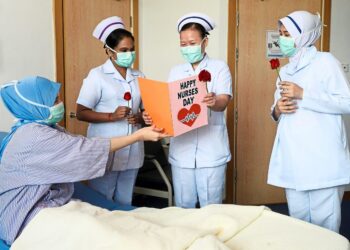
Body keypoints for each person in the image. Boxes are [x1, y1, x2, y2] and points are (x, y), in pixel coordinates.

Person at [0, 76, 166, 245]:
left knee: (108, 220)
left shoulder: (44, 128)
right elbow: (84, 148)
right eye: (55, 99)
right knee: (98, 229)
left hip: (51, 203)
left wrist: (139, 128)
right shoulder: (33, 135)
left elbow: (77, 144)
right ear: (36, 105)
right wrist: (137, 136)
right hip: (24, 215)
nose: (61, 102)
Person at [268, 10, 350, 233]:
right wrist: (277, 109)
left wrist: (304, 94)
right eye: (281, 33)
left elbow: (347, 102)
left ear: (304, 35)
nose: (282, 39)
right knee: (299, 225)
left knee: (326, 228)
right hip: (294, 159)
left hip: (322, 160)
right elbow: (276, 109)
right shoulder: (284, 70)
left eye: (288, 34)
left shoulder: (326, 61)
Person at [144, 13, 232, 208]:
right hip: (182, 151)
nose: (187, 47)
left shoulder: (219, 68)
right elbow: (169, 107)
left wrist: (213, 100)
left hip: (211, 151)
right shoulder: (176, 71)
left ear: (205, 42)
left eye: (192, 42)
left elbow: (224, 101)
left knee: (212, 207)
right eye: (183, 44)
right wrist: (152, 114)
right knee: (183, 206)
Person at [76, 16, 145, 205]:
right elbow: (81, 112)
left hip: (132, 149)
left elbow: (147, 111)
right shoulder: (97, 76)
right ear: (109, 51)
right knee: (102, 202)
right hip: (105, 147)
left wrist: (140, 117)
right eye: (124, 50)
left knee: (125, 200)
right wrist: (111, 116)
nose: (129, 54)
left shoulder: (139, 76)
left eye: (132, 50)